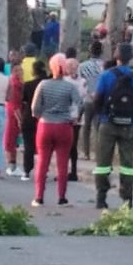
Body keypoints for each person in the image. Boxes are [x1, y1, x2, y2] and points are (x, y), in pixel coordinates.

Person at [91, 43, 133, 210]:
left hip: (107, 122)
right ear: (130, 58)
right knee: (127, 163)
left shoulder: (106, 76)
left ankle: (101, 197)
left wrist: (101, 114)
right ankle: (127, 198)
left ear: (116, 56)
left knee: (103, 162)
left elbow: (97, 99)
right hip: (129, 125)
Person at [31, 54, 82, 207]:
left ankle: (39, 197)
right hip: (64, 127)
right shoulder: (70, 87)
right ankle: (62, 197)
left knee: (42, 162)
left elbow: (34, 108)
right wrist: (74, 117)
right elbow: (79, 104)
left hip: (45, 126)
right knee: (62, 163)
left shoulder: (43, 85)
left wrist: (40, 116)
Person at [19, 59, 48, 182]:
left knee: (28, 146)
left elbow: (23, 102)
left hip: (29, 117)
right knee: (44, 147)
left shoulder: (28, 85)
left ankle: (27, 171)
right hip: (45, 118)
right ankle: (43, 171)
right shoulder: (48, 84)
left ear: (33, 71)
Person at [78, 40, 104, 163]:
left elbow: (80, 83)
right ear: (101, 52)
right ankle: (98, 154)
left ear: (90, 51)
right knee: (98, 127)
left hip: (87, 99)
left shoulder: (82, 66)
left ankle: (86, 153)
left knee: (86, 127)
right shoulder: (104, 66)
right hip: (101, 100)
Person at [3, 49, 24, 177]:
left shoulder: (13, 82)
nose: (20, 72)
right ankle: (12, 165)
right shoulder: (16, 84)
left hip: (11, 110)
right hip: (13, 112)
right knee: (11, 138)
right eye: (18, 71)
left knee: (11, 139)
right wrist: (20, 119)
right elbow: (15, 104)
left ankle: (12, 164)